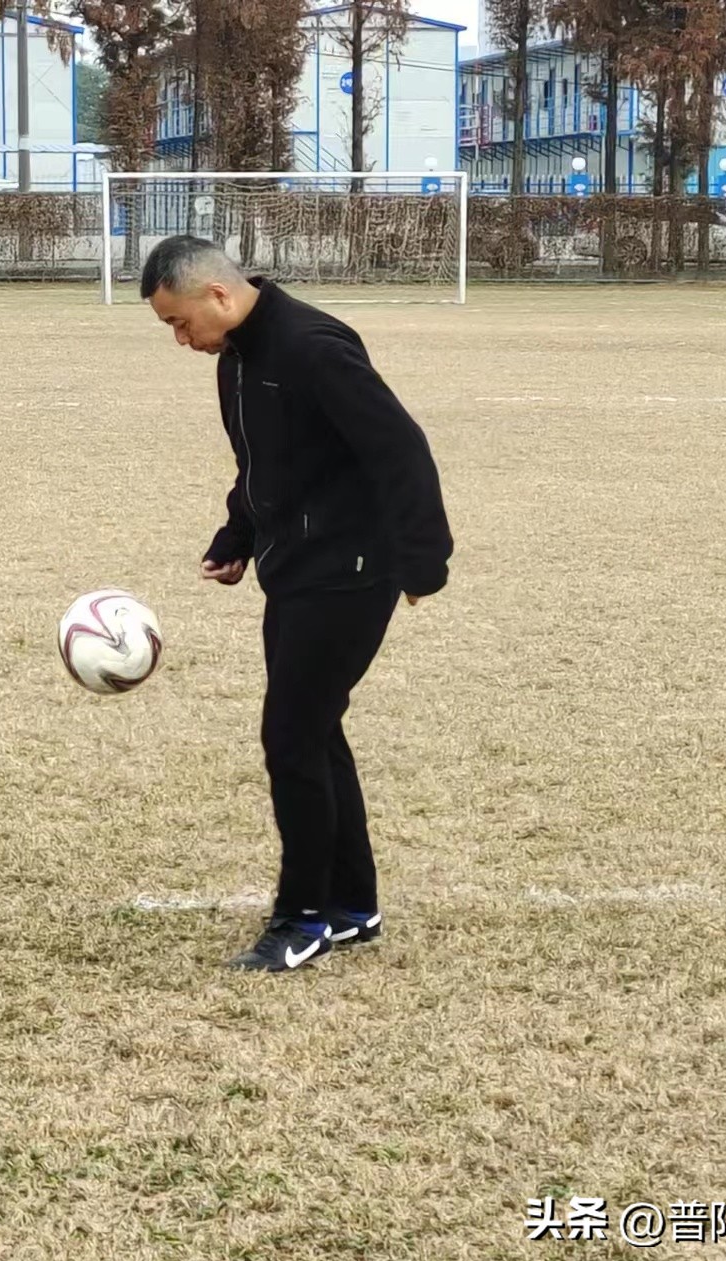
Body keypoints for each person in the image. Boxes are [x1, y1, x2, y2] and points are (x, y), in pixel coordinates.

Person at [140, 236, 454, 972]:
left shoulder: (314, 346)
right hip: (296, 569)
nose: (182, 341)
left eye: (180, 324)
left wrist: (423, 561)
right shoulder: (238, 361)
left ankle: (303, 915)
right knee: (313, 731)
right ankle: (353, 905)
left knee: (291, 737)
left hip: (351, 570)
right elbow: (264, 463)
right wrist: (238, 534)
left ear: (218, 295)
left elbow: (400, 449)